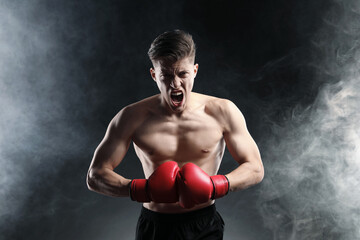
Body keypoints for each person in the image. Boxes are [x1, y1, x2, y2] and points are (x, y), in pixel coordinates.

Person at [86, 29, 264, 240]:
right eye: (166, 75)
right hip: (155, 225)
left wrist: (215, 185)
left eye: (183, 74)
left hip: (204, 224)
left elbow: (255, 168)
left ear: (195, 70)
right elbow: (95, 176)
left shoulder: (222, 111)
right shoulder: (131, 117)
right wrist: (143, 190)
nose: (175, 84)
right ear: (154, 75)